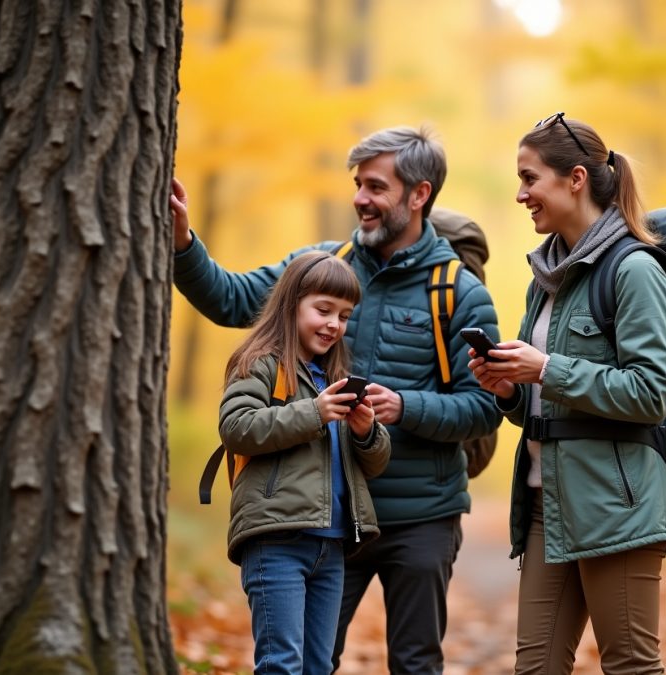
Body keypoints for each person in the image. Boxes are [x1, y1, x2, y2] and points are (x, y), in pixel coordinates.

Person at [170, 125, 501, 674]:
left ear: (419, 195)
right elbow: (230, 299)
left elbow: (487, 406)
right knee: (310, 661)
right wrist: (183, 243)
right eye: (358, 184)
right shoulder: (321, 266)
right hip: (328, 515)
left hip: (422, 518)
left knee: (417, 663)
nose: (360, 199)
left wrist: (405, 407)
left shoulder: (459, 290)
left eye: (376, 187)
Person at [468, 112, 666, 675]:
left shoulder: (634, 269)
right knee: (535, 668)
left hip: (618, 503)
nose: (520, 194)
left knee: (630, 665)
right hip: (548, 504)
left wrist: (546, 370)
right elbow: (550, 403)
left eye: (530, 178)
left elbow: (653, 392)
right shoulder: (549, 282)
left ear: (576, 179)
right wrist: (508, 389)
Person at [219, 250, 391, 674]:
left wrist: (365, 431)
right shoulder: (261, 362)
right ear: (291, 303)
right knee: (282, 662)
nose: (334, 324)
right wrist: (314, 412)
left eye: (345, 315)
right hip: (276, 537)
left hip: (329, 544)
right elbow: (237, 427)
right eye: (324, 309)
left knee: (319, 664)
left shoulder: (331, 375)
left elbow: (373, 463)